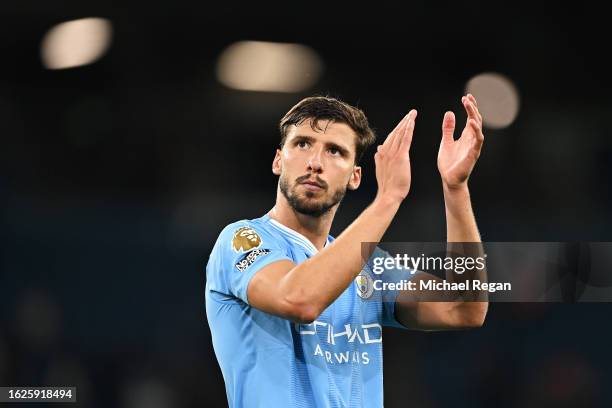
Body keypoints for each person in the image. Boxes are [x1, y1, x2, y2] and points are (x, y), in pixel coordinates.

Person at [205, 95, 488, 407]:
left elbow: (465, 307)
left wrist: (455, 189)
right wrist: (387, 199)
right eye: (302, 144)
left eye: (335, 151)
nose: (315, 162)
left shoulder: (368, 268)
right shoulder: (241, 240)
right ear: (278, 160)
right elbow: (299, 299)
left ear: (355, 177)